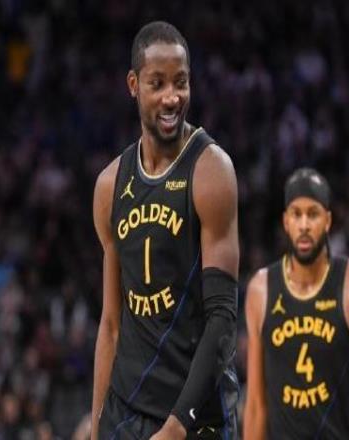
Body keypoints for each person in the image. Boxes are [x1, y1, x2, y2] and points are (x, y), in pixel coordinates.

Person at [91, 21, 239, 440]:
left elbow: (222, 319)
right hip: (127, 411)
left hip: (197, 417)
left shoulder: (211, 171)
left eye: (181, 82)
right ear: (133, 85)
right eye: (157, 84)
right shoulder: (110, 186)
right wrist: (97, 427)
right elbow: (111, 323)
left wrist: (177, 425)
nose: (172, 97)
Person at [243, 168, 349, 439]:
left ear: (328, 220)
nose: (304, 225)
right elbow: (255, 405)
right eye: (296, 214)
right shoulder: (260, 290)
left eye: (313, 214)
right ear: (285, 221)